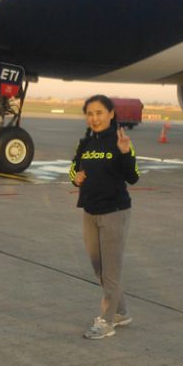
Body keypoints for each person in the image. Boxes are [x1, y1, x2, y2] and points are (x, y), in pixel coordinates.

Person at [69, 95, 140, 340]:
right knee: (98, 267)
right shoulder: (85, 143)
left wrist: (125, 153)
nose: (94, 118)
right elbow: (74, 169)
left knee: (111, 270)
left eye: (99, 112)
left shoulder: (121, 141)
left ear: (111, 114)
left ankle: (107, 321)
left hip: (114, 212)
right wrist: (74, 178)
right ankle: (121, 311)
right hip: (90, 211)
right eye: (89, 113)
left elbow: (134, 177)